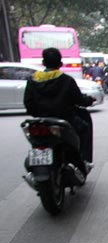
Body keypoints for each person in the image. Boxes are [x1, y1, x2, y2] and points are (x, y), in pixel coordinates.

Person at [23, 47, 95, 177]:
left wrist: (40, 114)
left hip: (41, 121)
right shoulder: (66, 80)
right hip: (65, 120)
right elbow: (79, 99)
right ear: (60, 64)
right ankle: (84, 161)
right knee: (84, 127)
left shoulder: (32, 80)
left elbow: (28, 103)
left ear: (43, 63)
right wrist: (89, 100)